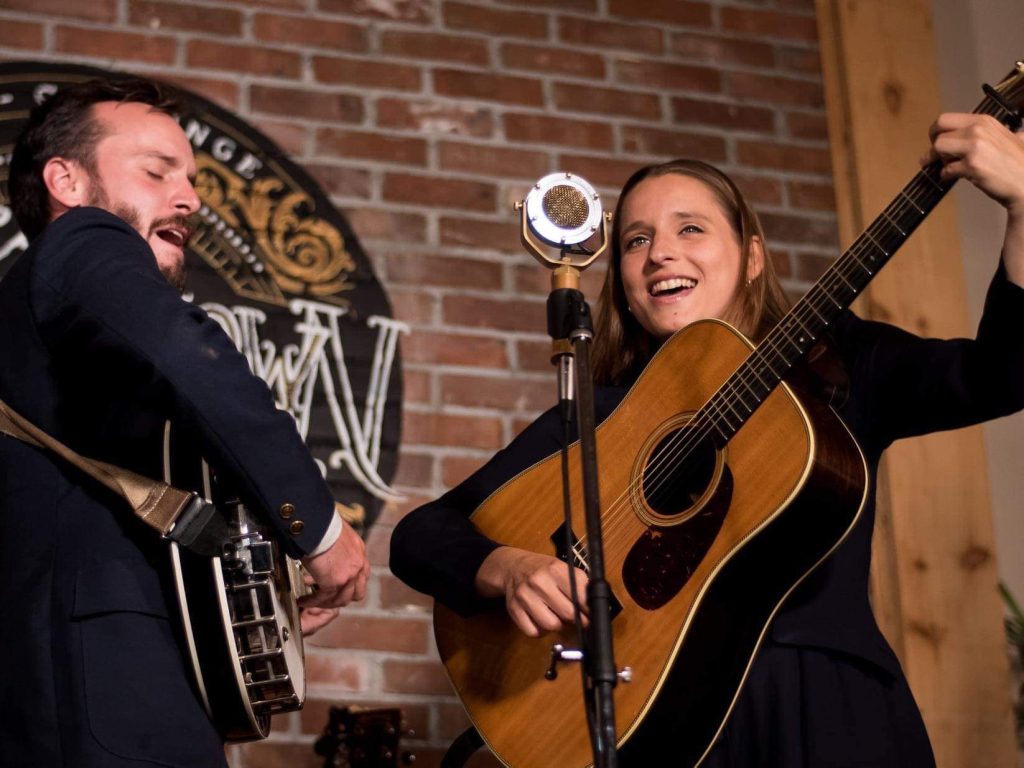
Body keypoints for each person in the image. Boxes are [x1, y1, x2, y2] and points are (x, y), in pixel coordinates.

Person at [390, 111, 1024, 766]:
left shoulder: (843, 363)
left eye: (689, 228)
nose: (660, 252)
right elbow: (422, 536)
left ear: (752, 257)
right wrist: (511, 568)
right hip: (662, 728)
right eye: (635, 241)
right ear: (626, 291)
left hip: (828, 714)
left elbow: (1002, 377)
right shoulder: (598, 417)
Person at [0, 78, 370, 767]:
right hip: (102, 701)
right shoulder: (83, 241)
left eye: (193, 179)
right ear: (66, 182)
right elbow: (185, 355)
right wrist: (317, 528)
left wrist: (274, 595)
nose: (191, 200)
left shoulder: (51, 320)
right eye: (156, 171)